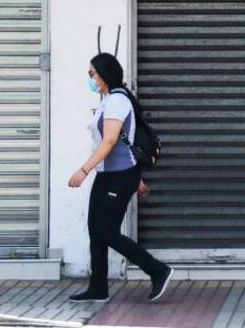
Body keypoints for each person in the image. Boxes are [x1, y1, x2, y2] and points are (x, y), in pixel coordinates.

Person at [68, 52, 172, 303]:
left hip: (118, 175)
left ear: (104, 74)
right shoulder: (108, 99)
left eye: (91, 73)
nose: (90, 77)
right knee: (96, 228)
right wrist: (135, 180)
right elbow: (126, 140)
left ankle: (158, 270)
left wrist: (83, 171)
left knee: (106, 230)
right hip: (110, 174)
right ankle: (98, 287)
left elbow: (111, 140)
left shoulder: (116, 100)